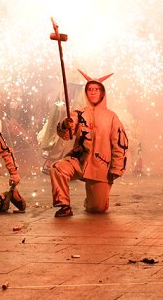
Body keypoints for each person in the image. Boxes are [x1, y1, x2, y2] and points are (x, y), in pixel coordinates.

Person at [50, 71, 128, 218]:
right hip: (79, 162)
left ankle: (94, 198)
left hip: (101, 167)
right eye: (90, 89)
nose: (93, 92)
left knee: (96, 209)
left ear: (102, 93)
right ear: (86, 92)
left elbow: (119, 144)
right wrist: (65, 125)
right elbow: (66, 134)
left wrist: (117, 168)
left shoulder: (112, 117)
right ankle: (64, 205)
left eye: (96, 89)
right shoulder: (78, 114)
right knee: (57, 168)